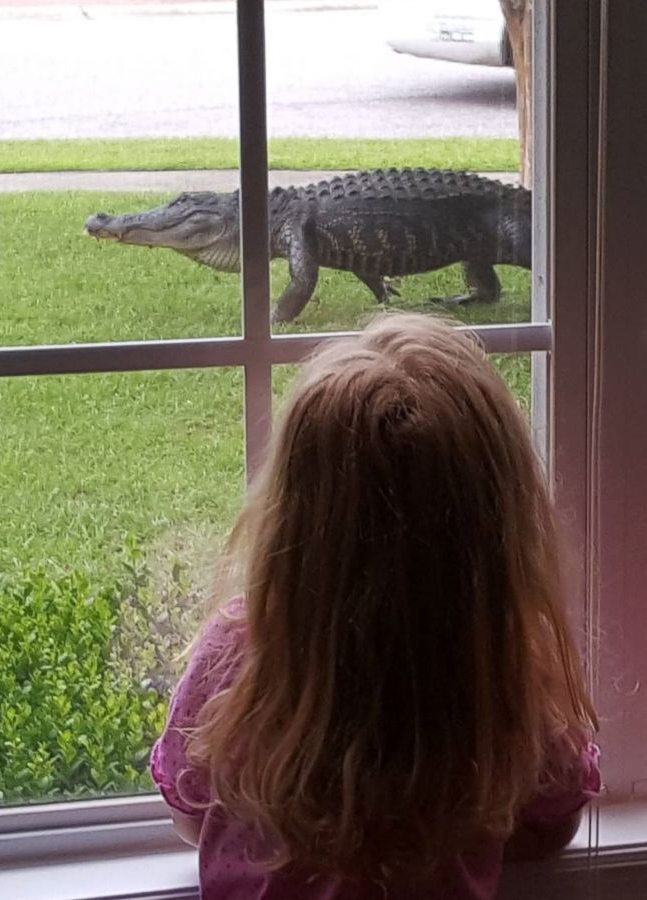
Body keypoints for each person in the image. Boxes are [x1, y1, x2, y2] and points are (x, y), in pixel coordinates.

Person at [151, 312, 600, 899]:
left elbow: (187, 811)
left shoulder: (238, 655)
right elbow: (554, 821)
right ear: (494, 531)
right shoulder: (502, 670)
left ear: (294, 519)